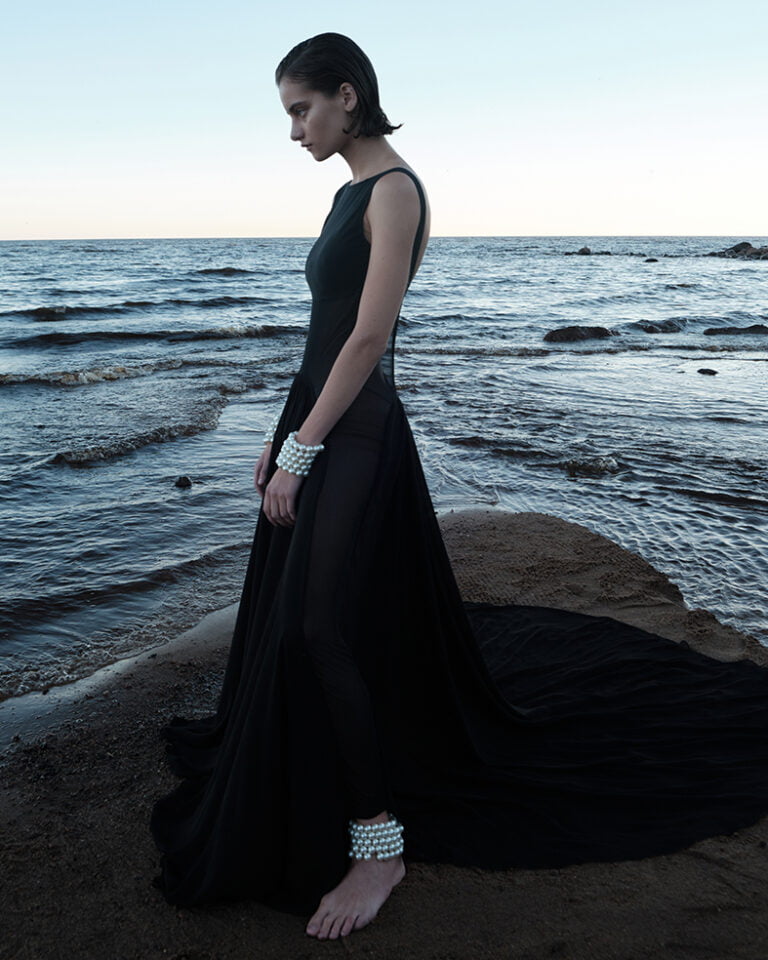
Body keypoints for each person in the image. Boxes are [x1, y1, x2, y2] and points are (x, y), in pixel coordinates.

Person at [150, 32, 768, 943]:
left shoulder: (396, 192)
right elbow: (323, 333)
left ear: (348, 97)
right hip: (320, 416)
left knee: (318, 623)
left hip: (355, 430)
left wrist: (302, 451)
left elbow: (367, 339)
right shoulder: (346, 192)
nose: (293, 131)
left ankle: (379, 847)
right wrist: (284, 433)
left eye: (300, 109)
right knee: (307, 617)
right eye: (287, 112)